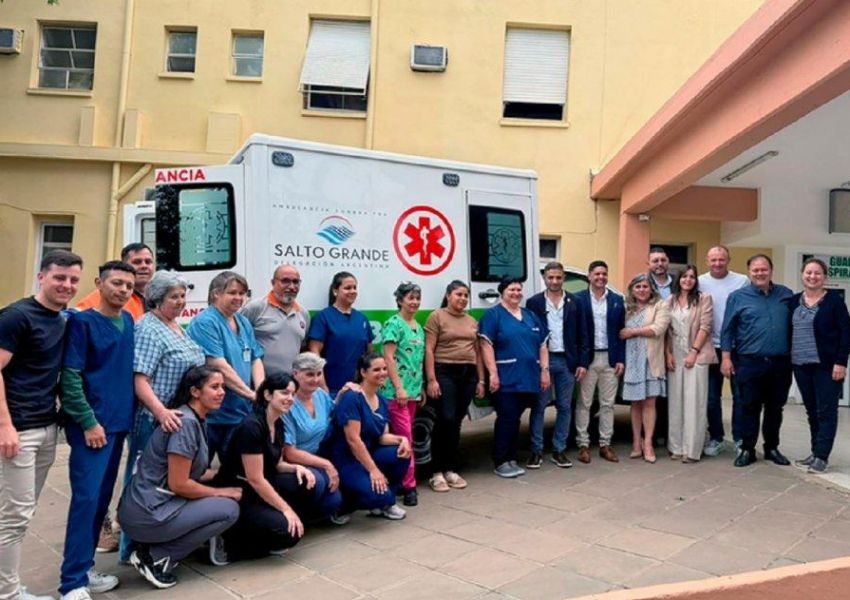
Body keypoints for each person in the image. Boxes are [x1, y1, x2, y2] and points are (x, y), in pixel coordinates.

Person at [0, 250, 82, 600]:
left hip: (46, 427)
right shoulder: (17, 317)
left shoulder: (62, 318)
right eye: (59, 277)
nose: (66, 285)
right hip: (18, 431)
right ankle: (8, 593)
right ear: (42, 277)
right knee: (14, 517)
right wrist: (5, 426)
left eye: (73, 279)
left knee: (20, 511)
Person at [117, 367, 240, 589]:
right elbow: (179, 483)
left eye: (223, 387)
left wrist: (233, 476)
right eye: (215, 387)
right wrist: (223, 491)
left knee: (225, 493)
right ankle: (156, 556)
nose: (222, 392)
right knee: (228, 509)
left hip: (153, 506)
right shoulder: (185, 424)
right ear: (195, 391)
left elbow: (196, 473)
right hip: (148, 513)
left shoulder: (197, 419)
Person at [58, 261, 137, 600]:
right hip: (93, 427)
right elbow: (70, 378)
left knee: (102, 499)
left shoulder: (128, 321)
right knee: (86, 500)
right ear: (99, 284)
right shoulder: (82, 323)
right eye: (116, 283)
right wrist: (89, 422)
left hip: (118, 425)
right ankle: (72, 583)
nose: (123, 290)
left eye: (129, 286)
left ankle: (85, 568)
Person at [118, 271, 206, 563]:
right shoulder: (148, 327)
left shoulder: (176, 326)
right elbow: (139, 378)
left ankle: (157, 539)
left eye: (183, 295)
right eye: (174, 297)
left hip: (177, 420)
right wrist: (160, 411)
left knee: (167, 482)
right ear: (157, 298)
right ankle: (129, 548)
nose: (180, 302)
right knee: (141, 482)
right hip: (153, 418)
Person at [78, 243, 155, 553]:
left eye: (149, 260)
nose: (144, 266)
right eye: (137, 262)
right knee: (96, 476)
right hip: (103, 406)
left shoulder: (149, 299)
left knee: (130, 465)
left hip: (133, 401)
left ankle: (124, 520)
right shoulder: (99, 303)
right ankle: (100, 529)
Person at [212, 373, 320, 562]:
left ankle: (269, 529)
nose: (290, 399)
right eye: (284, 393)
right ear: (268, 395)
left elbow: (276, 464)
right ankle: (229, 541)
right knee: (288, 535)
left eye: (292, 394)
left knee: (304, 482)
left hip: (261, 483)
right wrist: (286, 509)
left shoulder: (277, 422)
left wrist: (297, 468)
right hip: (240, 490)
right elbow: (255, 478)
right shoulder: (252, 426)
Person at [721, 254, 794, 468]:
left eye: (764, 269)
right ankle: (747, 449)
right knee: (748, 407)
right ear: (749, 272)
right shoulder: (737, 297)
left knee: (775, 408)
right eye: (755, 270)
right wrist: (726, 358)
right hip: (749, 362)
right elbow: (728, 330)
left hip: (780, 362)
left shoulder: (786, 295)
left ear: (771, 271)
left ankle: (771, 448)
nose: (760, 273)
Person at [187, 271, 264, 461]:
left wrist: (261, 391)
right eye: (233, 292)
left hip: (240, 412)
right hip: (213, 415)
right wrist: (251, 395)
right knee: (199, 470)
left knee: (233, 470)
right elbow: (218, 365)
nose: (238, 298)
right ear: (216, 294)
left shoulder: (243, 322)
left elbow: (255, 358)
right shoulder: (205, 322)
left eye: (242, 293)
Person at [479, 277, 550, 478]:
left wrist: (544, 371)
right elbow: (486, 345)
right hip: (506, 376)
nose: (516, 293)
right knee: (507, 417)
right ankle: (501, 461)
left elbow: (543, 345)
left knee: (516, 418)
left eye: (519, 289)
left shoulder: (530, 316)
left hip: (528, 377)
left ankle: (511, 458)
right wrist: (493, 373)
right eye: (512, 289)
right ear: (502, 292)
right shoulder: (493, 315)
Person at [328, 353, 411, 519]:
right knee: (379, 496)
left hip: (369, 453)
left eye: (385, 369)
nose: (382, 373)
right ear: (363, 373)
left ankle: (386, 503)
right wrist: (373, 470)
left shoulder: (381, 400)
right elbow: (353, 440)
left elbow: (382, 437)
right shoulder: (352, 398)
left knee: (401, 453)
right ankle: (344, 504)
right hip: (347, 460)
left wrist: (402, 439)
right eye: (376, 369)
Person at [526, 262, 588, 469]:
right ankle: (536, 450)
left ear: (563, 278)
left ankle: (559, 449)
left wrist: (582, 362)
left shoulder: (575, 302)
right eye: (550, 277)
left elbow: (583, 333)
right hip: (543, 360)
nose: (554, 281)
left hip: (567, 361)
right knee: (539, 405)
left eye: (558, 277)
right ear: (544, 278)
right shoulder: (533, 302)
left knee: (564, 406)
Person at [790, 258, 850, 474]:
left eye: (817, 273)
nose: (812, 277)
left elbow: (846, 332)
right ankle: (815, 451)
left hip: (826, 366)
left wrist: (841, 362)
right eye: (808, 273)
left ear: (824, 277)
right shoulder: (795, 301)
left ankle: (822, 456)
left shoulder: (834, 301)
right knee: (812, 411)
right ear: (802, 274)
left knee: (826, 411)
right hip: (801, 365)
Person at [423, 281, 483, 492]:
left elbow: (477, 352)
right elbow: (429, 350)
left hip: (468, 374)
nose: (463, 299)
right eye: (459, 294)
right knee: (445, 418)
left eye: (466, 295)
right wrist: (431, 379)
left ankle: (450, 469)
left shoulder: (471, 320)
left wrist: (481, 379)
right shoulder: (437, 316)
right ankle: (436, 472)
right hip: (444, 371)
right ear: (448, 295)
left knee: (456, 421)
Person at [698, 245, 748, 457]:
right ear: (707, 261)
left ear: (728, 260)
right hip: (710, 347)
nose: (717, 263)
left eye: (721, 259)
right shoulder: (700, 282)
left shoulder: (742, 281)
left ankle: (739, 439)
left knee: (740, 396)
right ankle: (717, 437)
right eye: (713, 260)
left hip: (737, 347)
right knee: (711, 397)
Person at [282, 352, 345, 523]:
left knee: (334, 500)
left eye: (318, 374)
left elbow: (334, 412)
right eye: (309, 374)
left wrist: (345, 393)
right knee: (317, 485)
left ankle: (309, 515)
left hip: (315, 457)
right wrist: (327, 465)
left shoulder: (320, 395)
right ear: (295, 374)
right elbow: (289, 453)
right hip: (290, 463)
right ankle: (291, 518)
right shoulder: (287, 403)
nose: (315, 379)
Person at [575, 260, 625, 463]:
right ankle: (583, 445)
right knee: (584, 403)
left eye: (604, 274)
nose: (601, 277)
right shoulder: (578, 299)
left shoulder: (616, 299)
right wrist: (579, 360)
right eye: (597, 274)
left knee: (607, 404)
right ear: (589, 276)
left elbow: (621, 331)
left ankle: (605, 444)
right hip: (588, 359)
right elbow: (576, 332)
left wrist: (621, 358)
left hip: (610, 359)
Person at [664, 265, 715, 463]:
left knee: (695, 403)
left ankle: (692, 450)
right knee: (676, 402)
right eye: (684, 276)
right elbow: (666, 330)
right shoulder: (670, 300)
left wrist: (694, 352)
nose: (688, 280)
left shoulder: (704, 299)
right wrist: (668, 353)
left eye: (692, 277)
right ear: (678, 279)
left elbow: (705, 326)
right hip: (675, 353)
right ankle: (676, 447)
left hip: (697, 353)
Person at [381, 282, 425, 506]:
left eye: (417, 298)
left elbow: (417, 360)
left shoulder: (417, 326)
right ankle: (409, 486)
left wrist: (421, 388)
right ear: (400, 300)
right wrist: (399, 387)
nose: (414, 302)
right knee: (405, 438)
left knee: (405, 437)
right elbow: (388, 358)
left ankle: (398, 481)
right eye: (410, 298)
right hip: (396, 393)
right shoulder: (393, 324)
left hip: (413, 392)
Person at [620, 273, 670, 464]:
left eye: (645, 287)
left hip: (651, 360)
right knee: (635, 403)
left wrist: (632, 332)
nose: (641, 290)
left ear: (652, 289)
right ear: (632, 290)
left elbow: (658, 329)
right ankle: (636, 442)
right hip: (632, 361)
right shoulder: (627, 308)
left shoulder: (660, 305)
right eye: (638, 287)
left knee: (649, 403)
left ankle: (648, 443)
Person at [307, 272, 374, 396]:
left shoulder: (362, 319)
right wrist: (322, 384)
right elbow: (314, 353)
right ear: (335, 291)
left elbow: (370, 355)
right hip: (331, 389)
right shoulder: (323, 318)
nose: (352, 291)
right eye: (347, 288)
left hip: (359, 389)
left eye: (355, 287)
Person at [241, 264, 310, 376]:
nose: (292, 287)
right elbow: (238, 342)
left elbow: (302, 347)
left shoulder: (303, 313)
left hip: (290, 384)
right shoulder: (255, 308)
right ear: (273, 283)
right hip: (259, 384)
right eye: (285, 281)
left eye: (296, 282)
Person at [76, 243, 154, 322]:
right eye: (137, 262)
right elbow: (75, 317)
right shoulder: (104, 295)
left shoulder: (159, 298)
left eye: (148, 262)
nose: (144, 266)